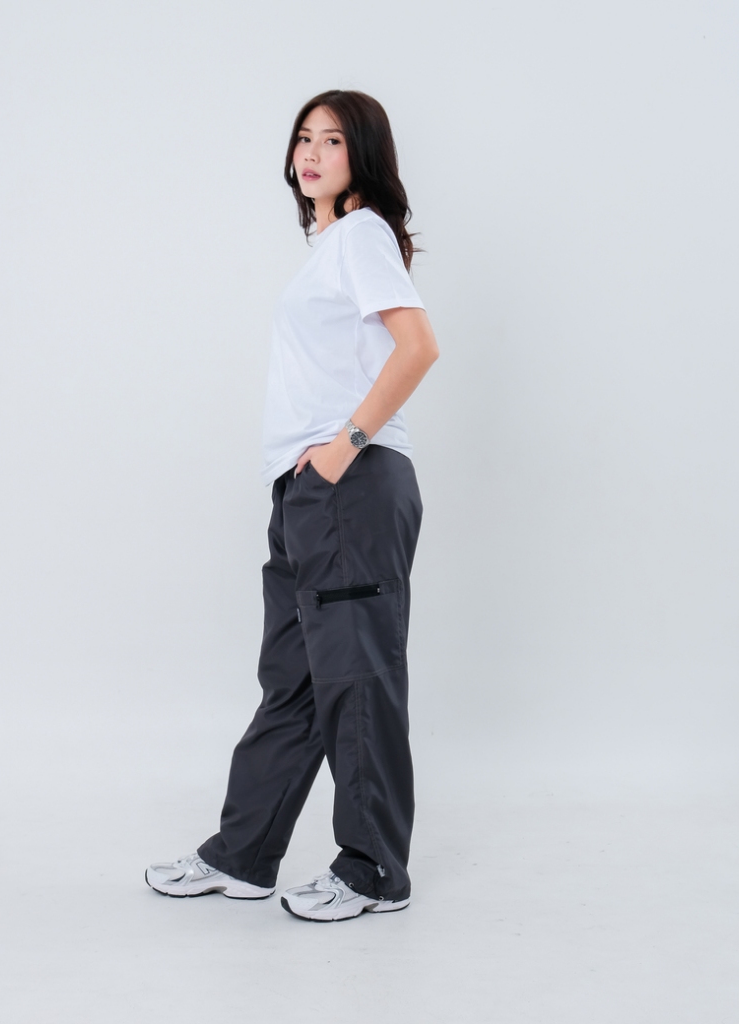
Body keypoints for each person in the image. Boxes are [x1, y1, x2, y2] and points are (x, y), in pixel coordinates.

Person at [146, 90, 439, 922]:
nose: (310, 153)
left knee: (356, 679)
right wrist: (310, 477)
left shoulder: (363, 234)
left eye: (332, 140)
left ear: (363, 154)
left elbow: (419, 346)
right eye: (303, 137)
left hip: (352, 483)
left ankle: (374, 872)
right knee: (296, 683)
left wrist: (342, 449)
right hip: (310, 491)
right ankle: (243, 857)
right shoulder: (332, 248)